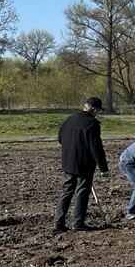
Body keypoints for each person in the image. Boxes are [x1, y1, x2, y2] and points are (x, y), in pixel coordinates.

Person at [54, 97, 110, 233]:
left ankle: (58, 222)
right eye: (98, 111)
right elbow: (96, 147)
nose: (98, 113)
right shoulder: (92, 124)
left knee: (67, 191)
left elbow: (60, 138)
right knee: (82, 192)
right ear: (94, 109)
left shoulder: (69, 119)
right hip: (84, 164)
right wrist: (103, 168)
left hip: (68, 162)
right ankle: (78, 222)